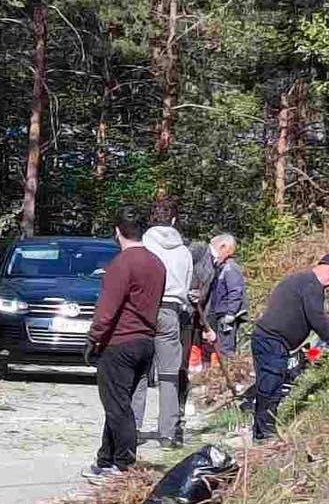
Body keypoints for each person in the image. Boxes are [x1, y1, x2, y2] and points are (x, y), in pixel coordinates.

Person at [84, 206, 165, 480]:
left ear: (117, 231)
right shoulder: (156, 263)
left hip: (120, 342)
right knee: (118, 403)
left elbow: (107, 310)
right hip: (146, 341)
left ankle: (123, 465)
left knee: (118, 406)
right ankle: (105, 458)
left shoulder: (122, 264)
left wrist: (93, 339)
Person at [250, 252, 329, 442]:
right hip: (272, 341)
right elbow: (318, 320)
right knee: (271, 387)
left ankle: (261, 431)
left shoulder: (299, 280)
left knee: (269, 386)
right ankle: (265, 435)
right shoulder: (311, 285)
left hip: (268, 339)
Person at [131, 201, 194, 448]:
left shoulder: (142, 246)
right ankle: (167, 433)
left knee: (139, 373)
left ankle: (133, 428)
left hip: (143, 310)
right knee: (169, 376)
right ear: (174, 221)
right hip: (171, 312)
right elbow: (187, 290)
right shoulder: (184, 252)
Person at [203, 234, 247, 357]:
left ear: (223, 247)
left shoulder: (230, 268)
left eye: (229, 253)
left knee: (225, 350)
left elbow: (236, 291)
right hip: (219, 314)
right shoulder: (220, 267)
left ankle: (228, 371)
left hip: (226, 316)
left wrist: (231, 314)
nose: (226, 256)